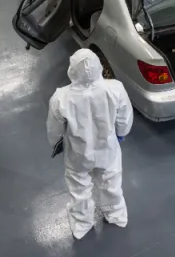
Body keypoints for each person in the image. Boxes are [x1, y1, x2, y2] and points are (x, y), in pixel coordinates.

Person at [47, 49, 133, 239]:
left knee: (79, 189)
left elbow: (54, 129)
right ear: (99, 66)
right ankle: (115, 214)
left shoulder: (61, 97)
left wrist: (56, 144)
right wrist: (121, 134)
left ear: (72, 70)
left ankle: (82, 223)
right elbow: (124, 118)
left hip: (77, 154)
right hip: (108, 149)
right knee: (111, 182)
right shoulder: (115, 88)